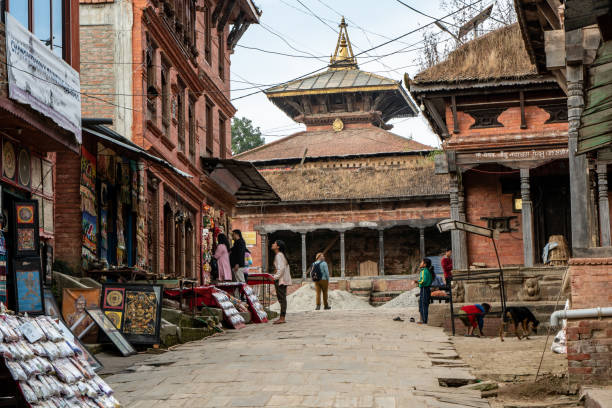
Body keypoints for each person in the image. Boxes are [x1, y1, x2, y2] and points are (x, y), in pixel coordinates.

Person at [272, 239, 291, 324]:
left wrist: (275, 277)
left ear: (278, 246)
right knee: (282, 298)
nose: (272, 244)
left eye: (274, 243)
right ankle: (282, 317)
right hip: (282, 279)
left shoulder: (279, 255)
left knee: (282, 299)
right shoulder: (281, 255)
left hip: (280, 280)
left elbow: (281, 268)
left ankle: (282, 318)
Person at [416, 258, 434, 324]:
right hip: (427, 289)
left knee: (423, 304)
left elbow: (423, 280)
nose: (420, 263)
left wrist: (417, 282)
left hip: (424, 288)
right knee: (425, 304)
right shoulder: (427, 271)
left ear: (425, 264)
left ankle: (424, 320)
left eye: (422, 262)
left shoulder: (424, 271)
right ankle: (425, 319)